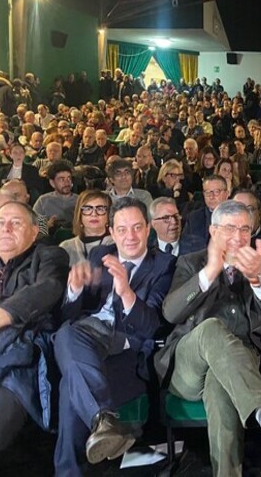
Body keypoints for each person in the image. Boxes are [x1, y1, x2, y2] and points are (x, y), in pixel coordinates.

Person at [153, 200, 261, 477]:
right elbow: (170, 313)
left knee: (221, 392)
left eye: (245, 229)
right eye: (229, 228)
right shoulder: (191, 262)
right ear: (213, 231)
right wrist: (210, 271)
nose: (238, 237)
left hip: (238, 363)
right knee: (212, 327)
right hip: (189, 365)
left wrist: (258, 279)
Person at [52, 197, 176, 475]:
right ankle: (103, 419)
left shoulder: (165, 265)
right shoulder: (100, 255)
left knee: (70, 382)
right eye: (122, 229)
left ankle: (75, 460)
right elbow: (70, 314)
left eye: (136, 228)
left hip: (126, 355)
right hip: (88, 342)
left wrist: (126, 292)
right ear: (111, 231)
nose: (129, 236)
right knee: (66, 332)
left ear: (147, 230)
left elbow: (154, 326)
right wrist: (73, 290)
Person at [0, 201, 69, 476]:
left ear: (33, 232)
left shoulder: (49, 255)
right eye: (0, 222)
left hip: (20, 355)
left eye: (16, 223)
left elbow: (48, 287)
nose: (6, 228)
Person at [59, 190, 113, 265]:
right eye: (88, 209)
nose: (94, 214)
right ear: (79, 214)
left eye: (100, 209)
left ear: (108, 215)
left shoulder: (117, 245)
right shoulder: (66, 247)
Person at [184, 174, 230, 243]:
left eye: (216, 192)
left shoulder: (236, 217)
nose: (211, 196)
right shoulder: (193, 218)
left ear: (226, 194)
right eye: (207, 192)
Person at [33, 160, 79, 228]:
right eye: (61, 179)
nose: (66, 183)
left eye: (69, 178)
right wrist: (46, 226)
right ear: (52, 183)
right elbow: (34, 226)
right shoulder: (43, 201)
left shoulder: (80, 200)